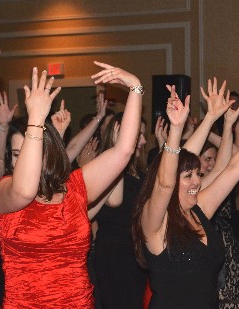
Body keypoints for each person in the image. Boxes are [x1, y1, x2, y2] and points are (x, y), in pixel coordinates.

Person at [0, 62, 143, 307]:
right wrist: (37, 119)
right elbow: (25, 190)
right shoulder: (4, 191)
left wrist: (135, 88)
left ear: (48, 153)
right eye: (16, 154)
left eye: (31, 150)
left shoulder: (74, 187)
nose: (23, 160)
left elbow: (123, 151)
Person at [132, 84, 239, 308]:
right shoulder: (154, 221)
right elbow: (165, 183)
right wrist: (176, 130)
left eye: (197, 174)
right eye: (188, 176)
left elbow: (234, 169)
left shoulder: (199, 209)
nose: (197, 180)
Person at [92, 112, 148, 309]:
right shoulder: (104, 167)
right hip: (113, 254)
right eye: (138, 134)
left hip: (135, 252)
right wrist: (118, 151)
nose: (143, 140)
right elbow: (116, 201)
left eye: (143, 134)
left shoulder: (140, 171)